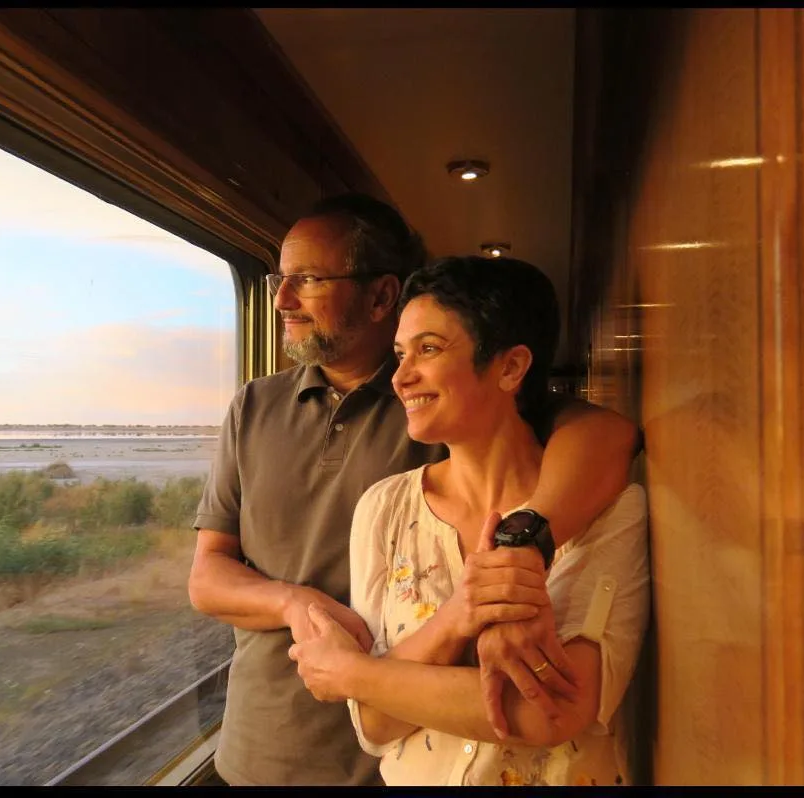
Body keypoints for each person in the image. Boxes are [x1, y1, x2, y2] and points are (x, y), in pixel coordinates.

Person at [188, 194, 642, 786]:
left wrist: (520, 549)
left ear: (380, 296)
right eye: (278, 279)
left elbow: (607, 435)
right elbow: (207, 576)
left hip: (383, 762)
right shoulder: (254, 406)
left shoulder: (449, 411)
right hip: (259, 743)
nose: (282, 300)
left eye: (309, 279)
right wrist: (294, 602)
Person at [287, 254, 650, 786]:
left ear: (510, 367)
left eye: (428, 349)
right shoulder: (384, 509)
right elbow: (374, 724)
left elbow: (548, 711)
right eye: (399, 353)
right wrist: (458, 617)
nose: (401, 378)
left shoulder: (607, 508)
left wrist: (350, 673)